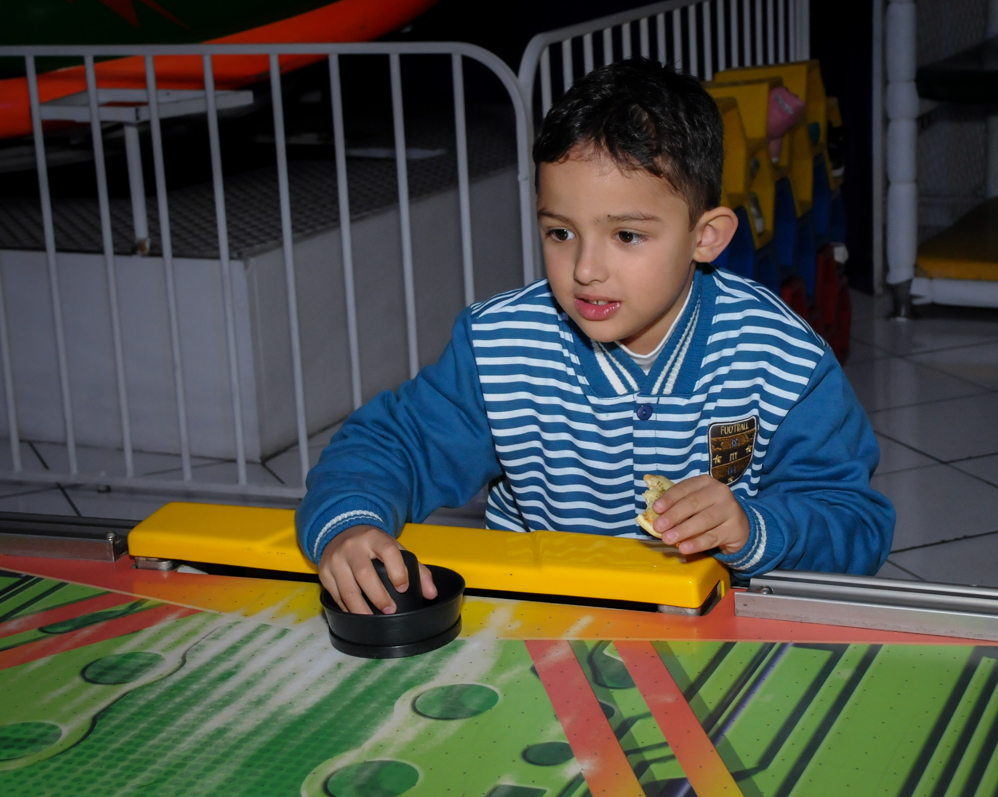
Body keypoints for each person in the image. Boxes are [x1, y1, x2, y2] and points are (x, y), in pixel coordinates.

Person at [296, 58, 894, 615]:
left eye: (627, 236)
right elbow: (392, 445)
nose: (585, 269)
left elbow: (855, 524)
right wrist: (350, 524)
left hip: (722, 632)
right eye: (560, 233)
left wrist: (755, 528)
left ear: (706, 237)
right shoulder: (499, 346)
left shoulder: (782, 355)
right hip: (547, 623)